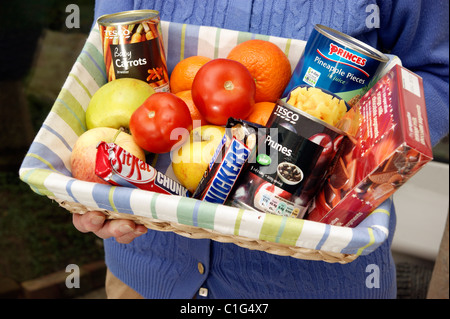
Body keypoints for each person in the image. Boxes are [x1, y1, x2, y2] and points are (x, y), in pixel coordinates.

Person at [73, 0, 449, 299]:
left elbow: (437, 72)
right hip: (145, 275)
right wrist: (102, 196)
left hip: (315, 285)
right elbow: (109, 60)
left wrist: (359, 161)